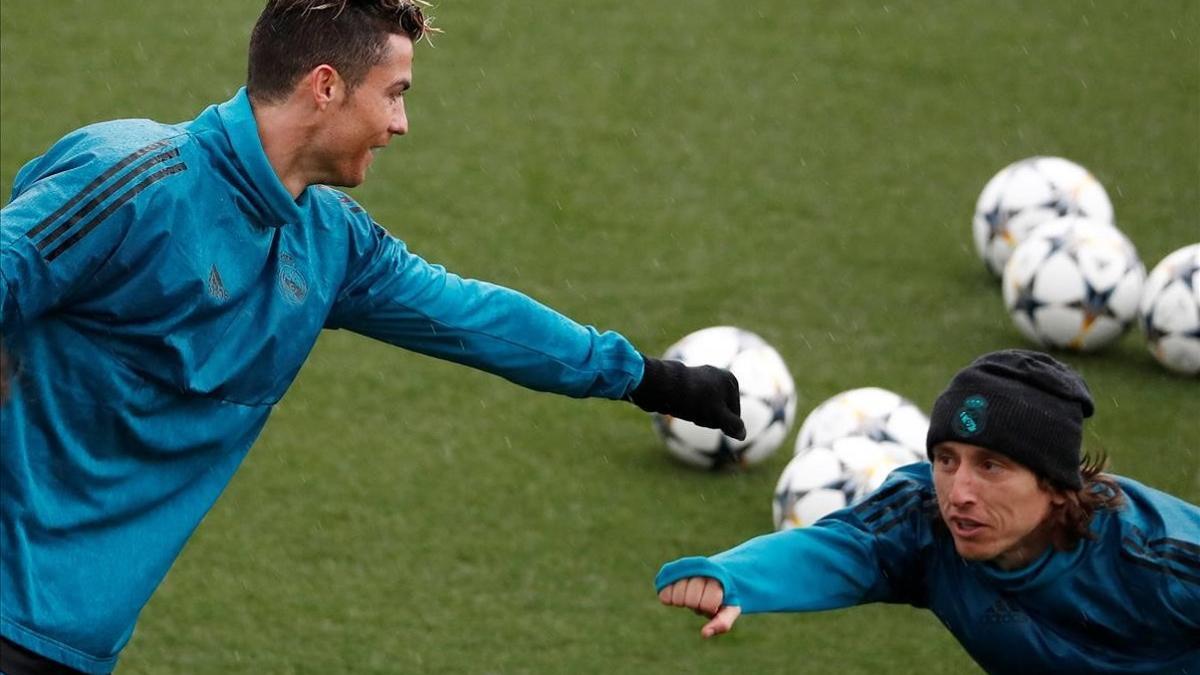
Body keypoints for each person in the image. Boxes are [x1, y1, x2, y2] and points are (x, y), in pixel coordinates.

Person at [0, 2, 746, 672]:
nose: (401, 124)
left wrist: (649, 378)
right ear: (326, 87)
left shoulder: (330, 246)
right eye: (394, 94)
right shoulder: (132, 178)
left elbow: (471, 317)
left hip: (79, 642)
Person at [656, 349, 1200, 674]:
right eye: (946, 459)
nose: (958, 491)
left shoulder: (1159, 559)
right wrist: (733, 576)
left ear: (1056, 485)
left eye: (991, 467)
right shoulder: (926, 524)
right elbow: (845, 546)